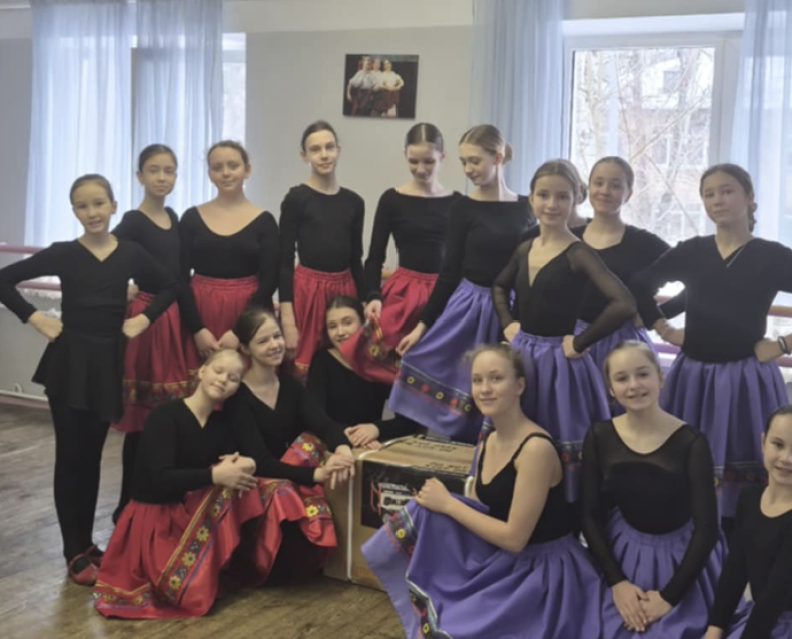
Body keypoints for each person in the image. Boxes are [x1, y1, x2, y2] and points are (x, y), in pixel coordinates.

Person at [0, 174, 177, 585]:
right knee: (71, 456)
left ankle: (85, 542)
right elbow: (4, 280)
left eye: (99, 203)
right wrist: (36, 318)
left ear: (113, 206)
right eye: (83, 206)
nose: (92, 212)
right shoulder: (64, 253)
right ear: (74, 212)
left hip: (107, 363)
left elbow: (170, 286)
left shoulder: (130, 253)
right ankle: (72, 550)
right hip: (68, 363)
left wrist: (144, 320)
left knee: (93, 456)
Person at [362, 344, 603, 639]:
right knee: (426, 513)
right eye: (477, 380)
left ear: (519, 386)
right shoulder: (488, 441)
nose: (485, 389)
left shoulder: (536, 449)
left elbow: (515, 538)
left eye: (496, 378)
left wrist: (448, 504)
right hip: (506, 561)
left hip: (544, 574)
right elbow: (478, 512)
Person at [630, 163, 792, 524]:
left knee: (745, 485)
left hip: (745, 381)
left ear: (749, 198)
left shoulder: (771, 256)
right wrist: (663, 328)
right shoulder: (693, 251)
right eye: (709, 194)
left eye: (727, 191)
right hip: (693, 379)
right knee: (685, 475)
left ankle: (740, 543)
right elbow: (640, 284)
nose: (717, 200)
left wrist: (783, 344)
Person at [94, 350, 287, 618]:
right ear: (201, 371)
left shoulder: (221, 423)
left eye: (233, 378)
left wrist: (245, 463)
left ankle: (251, 560)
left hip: (186, 510)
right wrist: (214, 475)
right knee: (193, 596)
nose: (223, 380)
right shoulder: (164, 416)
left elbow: (240, 460)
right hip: (154, 519)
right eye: (218, 371)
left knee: (251, 486)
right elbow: (160, 479)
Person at [492, 159, 635, 500]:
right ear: (531, 198)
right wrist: (508, 323)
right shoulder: (525, 248)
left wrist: (581, 341)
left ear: (575, 200)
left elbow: (624, 303)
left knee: (558, 436)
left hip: (560, 365)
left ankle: (562, 511)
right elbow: (498, 286)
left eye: (562, 197)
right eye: (543, 195)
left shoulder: (579, 253)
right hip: (523, 357)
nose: (551, 204)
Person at [387, 124, 537, 444]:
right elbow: (449, 272)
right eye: (463, 161)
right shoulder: (463, 208)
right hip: (469, 309)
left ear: (498, 158)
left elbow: (531, 269)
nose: (468, 169)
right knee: (458, 378)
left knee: (502, 386)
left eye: (475, 161)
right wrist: (422, 326)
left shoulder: (526, 207)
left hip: (511, 313)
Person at [579, 341, 723, 639]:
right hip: (623, 552)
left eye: (642, 374)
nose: (634, 385)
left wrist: (669, 597)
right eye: (622, 378)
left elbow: (707, 528)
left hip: (682, 558)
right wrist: (617, 582)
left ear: (661, 378)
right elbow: (588, 514)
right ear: (610, 389)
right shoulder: (599, 435)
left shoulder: (692, 442)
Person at [339, 123, 460, 384]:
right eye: (413, 161)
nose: (421, 169)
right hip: (404, 292)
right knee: (375, 351)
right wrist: (373, 295)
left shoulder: (457, 202)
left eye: (429, 161)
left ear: (443, 156)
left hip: (444, 291)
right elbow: (374, 257)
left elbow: (461, 260)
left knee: (439, 367)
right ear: (404, 155)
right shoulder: (392, 199)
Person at [111, 144, 187, 523]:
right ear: (140, 176)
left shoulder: (173, 217)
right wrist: (123, 290)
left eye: (168, 170)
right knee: (141, 422)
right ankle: (127, 504)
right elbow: (104, 256)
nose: (161, 177)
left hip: (174, 319)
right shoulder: (132, 221)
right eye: (154, 170)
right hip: (147, 320)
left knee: (169, 418)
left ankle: (158, 499)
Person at [571, 156, 679, 384]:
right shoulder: (569, 238)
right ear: (588, 187)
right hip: (576, 342)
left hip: (625, 346)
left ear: (628, 193)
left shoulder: (645, 243)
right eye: (598, 183)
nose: (605, 191)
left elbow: (696, 279)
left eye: (615, 185)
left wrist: (654, 318)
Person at [179, 140, 279, 385]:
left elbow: (269, 280)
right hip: (200, 311)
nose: (225, 173)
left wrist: (239, 331)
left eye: (233, 165)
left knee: (243, 384)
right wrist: (197, 329)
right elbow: (179, 277)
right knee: (205, 385)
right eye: (217, 167)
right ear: (209, 174)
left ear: (247, 170)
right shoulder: (191, 218)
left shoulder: (264, 221)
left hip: (247, 311)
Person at [224, 305, 356, 491]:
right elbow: (261, 463)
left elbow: (324, 424)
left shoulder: (289, 386)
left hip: (293, 479)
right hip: (256, 488)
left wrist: (343, 450)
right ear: (246, 349)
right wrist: (316, 474)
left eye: (277, 336)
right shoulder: (238, 399)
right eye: (263, 341)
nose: (274, 345)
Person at [278, 121, 365, 382]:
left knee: (343, 365)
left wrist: (363, 303)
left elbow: (356, 259)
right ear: (304, 156)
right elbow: (284, 261)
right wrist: (287, 318)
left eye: (329, 147)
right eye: (315, 149)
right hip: (307, 292)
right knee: (304, 367)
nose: (324, 155)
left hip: (344, 291)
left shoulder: (354, 202)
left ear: (338, 150)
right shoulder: (296, 199)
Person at [705, 405, 792, 639]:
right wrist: (715, 628)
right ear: (763, 442)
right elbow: (735, 569)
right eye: (778, 445)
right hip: (760, 617)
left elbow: (775, 595)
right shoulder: (750, 498)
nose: (787, 459)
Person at [309, 296, 421, 448]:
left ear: (363, 323)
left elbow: (409, 421)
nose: (340, 332)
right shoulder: (322, 360)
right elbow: (316, 417)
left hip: (371, 445)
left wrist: (376, 429)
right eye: (332, 326)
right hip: (334, 445)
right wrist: (347, 435)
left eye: (347, 323)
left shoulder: (378, 361)